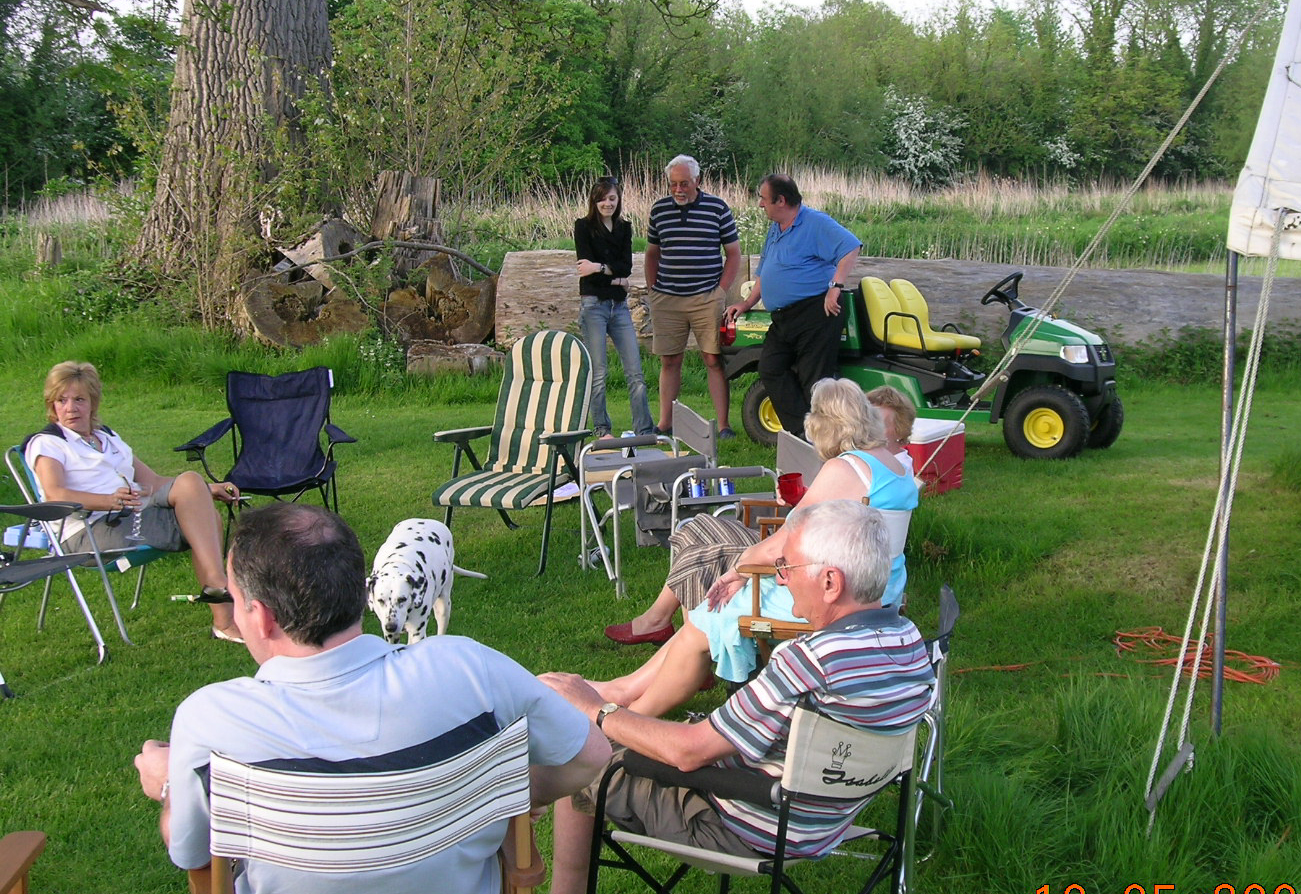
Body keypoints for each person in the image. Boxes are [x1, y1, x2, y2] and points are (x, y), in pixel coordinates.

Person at [133, 503, 610, 894]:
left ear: (261, 617)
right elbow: (590, 755)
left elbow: (190, 851)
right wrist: (501, 792)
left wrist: (173, 785)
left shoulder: (211, 720)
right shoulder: (469, 669)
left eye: (234, 601)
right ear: (359, 590)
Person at [541, 499, 936, 894]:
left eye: (787, 567)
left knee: (578, 750)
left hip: (745, 823)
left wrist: (596, 708)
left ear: (831, 582)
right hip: (824, 823)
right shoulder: (910, 643)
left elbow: (689, 752)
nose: (781, 579)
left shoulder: (809, 661)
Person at [599, 378, 919, 716]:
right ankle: (625, 690)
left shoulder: (846, 467)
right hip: (876, 587)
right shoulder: (892, 466)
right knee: (706, 615)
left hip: (838, 594)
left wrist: (737, 572)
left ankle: (631, 717)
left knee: (711, 616)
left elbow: (779, 547)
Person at [24, 361, 243, 641]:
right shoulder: (48, 443)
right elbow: (55, 494)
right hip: (89, 528)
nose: (70, 408)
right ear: (52, 405)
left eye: (79, 399)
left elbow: (153, 481)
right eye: (61, 400)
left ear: (92, 402)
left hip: (131, 513)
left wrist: (205, 488)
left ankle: (219, 597)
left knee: (191, 483)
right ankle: (221, 602)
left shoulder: (107, 437)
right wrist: (107, 501)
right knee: (206, 519)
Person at [725, 174, 862, 438]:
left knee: (815, 381)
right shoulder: (776, 228)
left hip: (815, 312)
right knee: (770, 367)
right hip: (783, 317)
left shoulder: (815, 222)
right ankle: (802, 431)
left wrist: (835, 286)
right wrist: (748, 302)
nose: (760, 204)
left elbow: (850, 247)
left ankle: (820, 438)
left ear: (781, 200)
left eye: (764, 199)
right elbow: (765, 271)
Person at [645, 154, 742, 436]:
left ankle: (723, 425)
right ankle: (665, 423)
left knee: (712, 359)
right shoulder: (659, 210)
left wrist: (721, 290)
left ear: (697, 181)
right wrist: (653, 290)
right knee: (669, 360)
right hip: (667, 298)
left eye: (684, 183)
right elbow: (652, 254)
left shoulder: (717, 208)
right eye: (673, 184)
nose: (678, 189)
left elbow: (733, 253)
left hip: (706, 297)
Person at [575, 176, 654, 438]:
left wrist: (599, 268)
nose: (607, 203)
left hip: (619, 307)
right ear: (594, 200)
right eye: (602, 198)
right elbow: (585, 271)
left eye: (612, 198)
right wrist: (614, 276)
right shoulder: (583, 227)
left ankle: (644, 429)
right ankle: (602, 428)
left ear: (618, 200)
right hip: (593, 306)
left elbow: (626, 267)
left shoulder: (624, 228)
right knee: (599, 372)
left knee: (635, 372)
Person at [867, 384, 917, 466]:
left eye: (879, 425)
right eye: (866, 421)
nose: (869, 429)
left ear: (901, 431)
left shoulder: (900, 467)